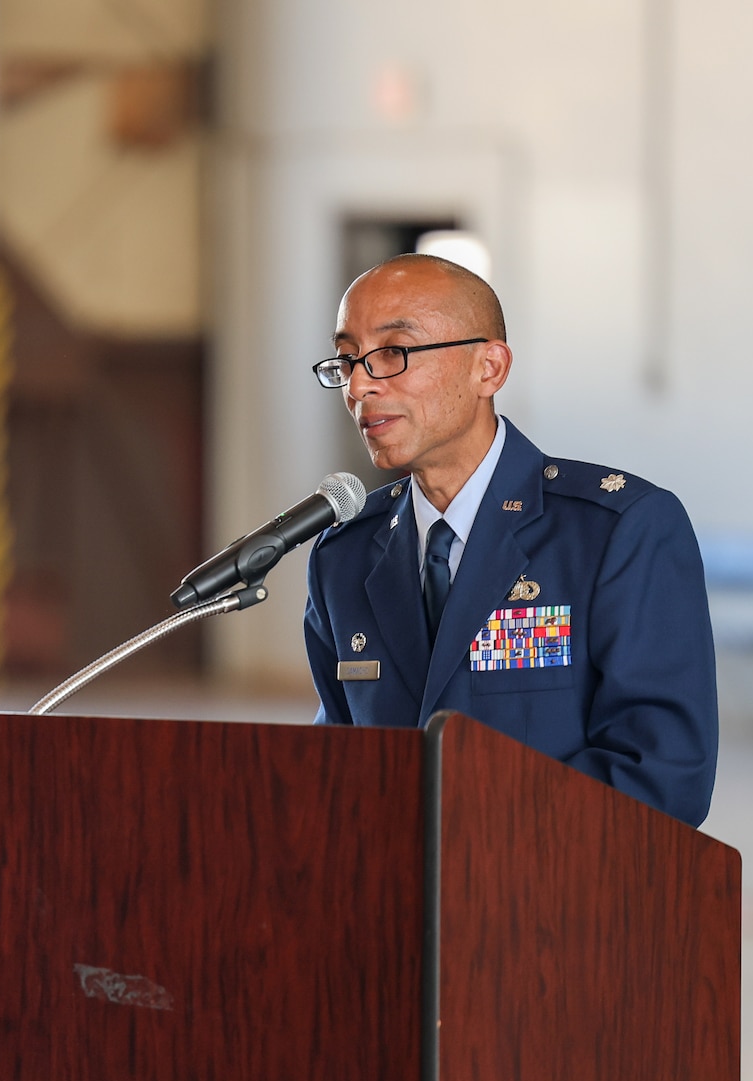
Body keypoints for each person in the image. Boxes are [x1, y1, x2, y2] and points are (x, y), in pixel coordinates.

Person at [304, 254, 718, 826]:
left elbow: (662, 773)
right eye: (348, 360)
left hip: (555, 902)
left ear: (489, 369)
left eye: (393, 353)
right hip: (394, 905)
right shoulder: (344, 555)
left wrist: (471, 839)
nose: (359, 384)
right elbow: (337, 768)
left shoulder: (616, 531)